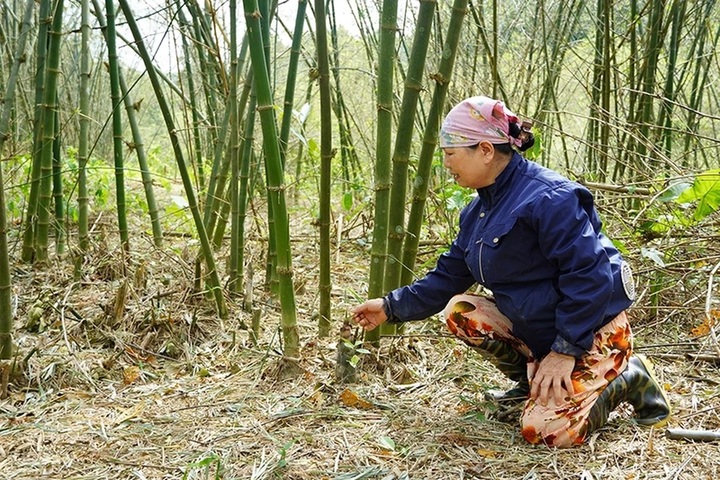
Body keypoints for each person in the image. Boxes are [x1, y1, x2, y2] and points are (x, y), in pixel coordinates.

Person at [352, 96, 671, 448]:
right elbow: (449, 275)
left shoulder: (551, 198)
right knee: (462, 311)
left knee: (547, 433)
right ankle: (532, 383)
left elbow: (590, 276)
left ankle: (626, 378)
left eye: (450, 153)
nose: (445, 163)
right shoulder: (478, 212)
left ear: (485, 150)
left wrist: (565, 351)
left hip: (591, 330)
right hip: (542, 333)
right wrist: (389, 306)